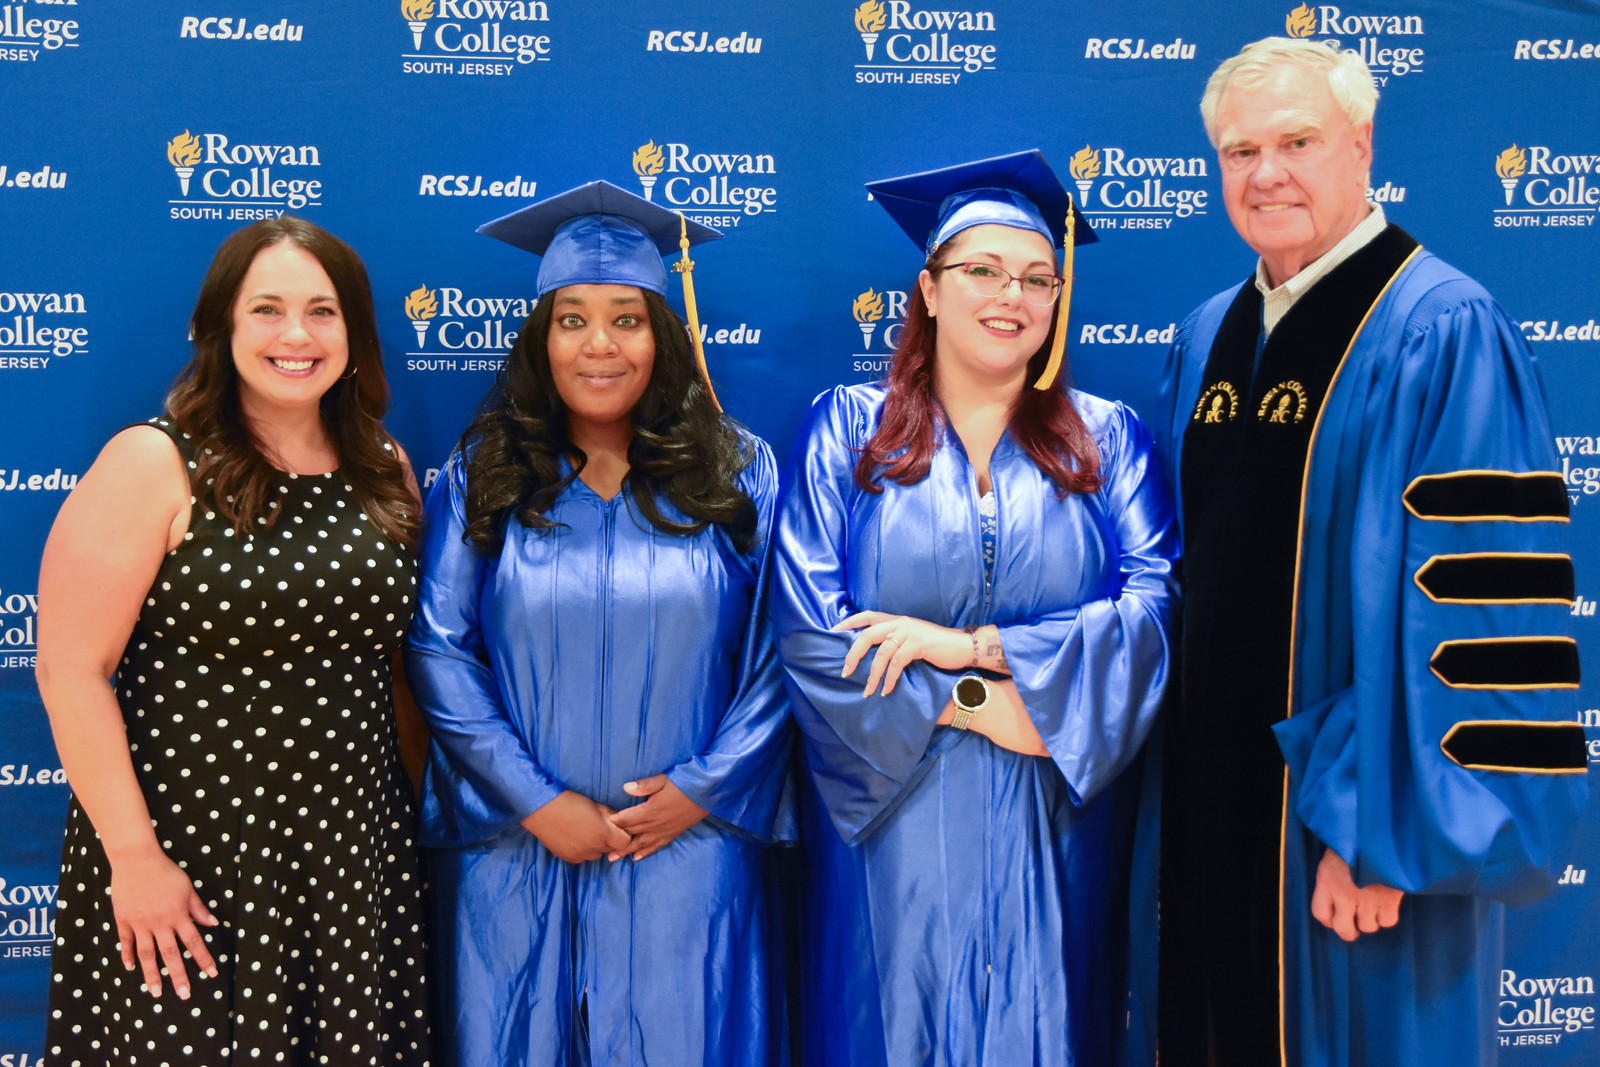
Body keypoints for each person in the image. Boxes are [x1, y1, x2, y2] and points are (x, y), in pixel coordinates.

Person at [1155, 37, 1588, 1067]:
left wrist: (1377, 830)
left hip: (1362, 835)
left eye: (1295, 141)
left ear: (1360, 144)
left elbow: (1477, 611)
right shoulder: (1209, 333)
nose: (1264, 174)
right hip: (1212, 817)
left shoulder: (1442, 326)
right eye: (1238, 150)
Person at [772, 151, 1180, 1067]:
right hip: (893, 819)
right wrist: (977, 703)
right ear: (927, 287)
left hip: (1058, 815)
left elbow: (1151, 613)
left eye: (1039, 278)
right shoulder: (848, 429)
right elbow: (809, 627)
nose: (1013, 295)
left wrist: (969, 650)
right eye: (983, 270)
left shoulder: (1110, 439)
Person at [405, 180, 792, 1067]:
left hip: (692, 849)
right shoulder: (486, 473)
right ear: (541, 339)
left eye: (627, 318)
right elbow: (438, 646)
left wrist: (706, 787)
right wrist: (536, 801)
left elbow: (781, 654)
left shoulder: (740, 476)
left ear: (665, 334)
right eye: (572, 318)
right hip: (514, 851)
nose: (600, 345)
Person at [35, 217, 430, 1065]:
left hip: (355, 860)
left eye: (323, 312)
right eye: (268, 310)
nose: (297, 336)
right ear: (218, 328)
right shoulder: (153, 462)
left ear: (355, 333)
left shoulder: (383, 467)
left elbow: (393, 672)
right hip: (191, 862)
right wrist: (134, 860)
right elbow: (72, 668)